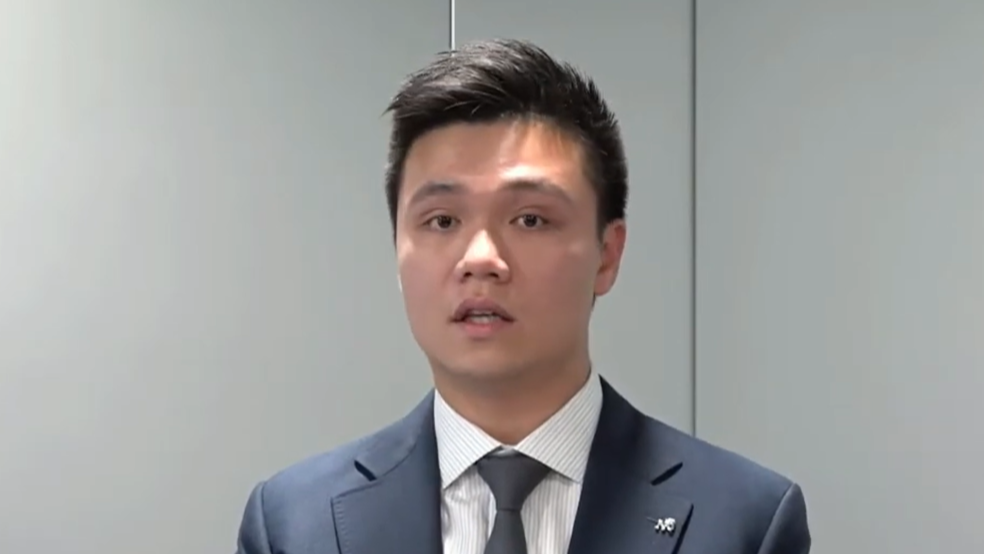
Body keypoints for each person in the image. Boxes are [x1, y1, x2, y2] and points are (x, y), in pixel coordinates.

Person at [235, 38, 811, 554]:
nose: (480, 257)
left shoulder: (745, 523)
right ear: (397, 249)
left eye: (530, 219)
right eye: (441, 221)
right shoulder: (294, 524)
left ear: (607, 254)